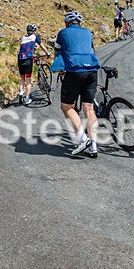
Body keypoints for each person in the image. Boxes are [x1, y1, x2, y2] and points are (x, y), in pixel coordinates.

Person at [54, 11, 100, 158]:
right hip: (92, 70)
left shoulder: (62, 33)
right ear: (80, 23)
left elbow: (57, 52)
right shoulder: (87, 32)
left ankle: (83, 139)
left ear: (67, 23)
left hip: (74, 71)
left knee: (67, 106)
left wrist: (60, 71)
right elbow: (92, 50)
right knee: (89, 108)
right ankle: (93, 146)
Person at [17, 24, 51, 105]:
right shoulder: (35, 37)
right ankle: (27, 98)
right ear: (34, 31)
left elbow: (24, 49)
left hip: (20, 59)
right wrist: (47, 53)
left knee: (22, 78)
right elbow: (42, 46)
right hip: (28, 59)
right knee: (28, 80)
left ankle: (21, 92)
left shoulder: (24, 38)